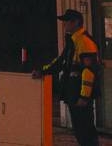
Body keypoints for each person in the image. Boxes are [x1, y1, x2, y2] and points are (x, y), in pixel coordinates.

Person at [33, 8, 101, 146]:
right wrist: (42, 71)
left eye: (66, 22)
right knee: (80, 130)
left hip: (80, 96)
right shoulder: (73, 42)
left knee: (85, 131)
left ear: (75, 22)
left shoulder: (84, 42)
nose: (64, 25)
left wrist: (84, 97)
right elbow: (60, 63)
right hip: (73, 93)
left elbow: (89, 72)